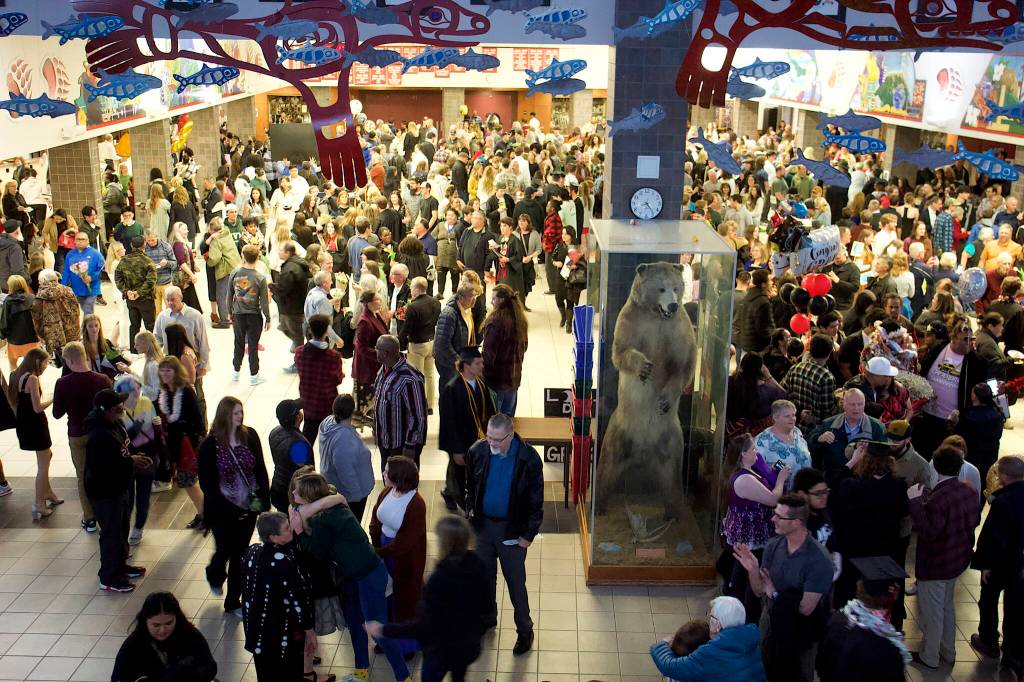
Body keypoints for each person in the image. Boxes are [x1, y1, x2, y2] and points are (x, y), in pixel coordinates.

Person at [289, 473, 413, 682]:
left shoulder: (324, 520)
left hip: (368, 576)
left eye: (297, 492)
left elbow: (318, 552)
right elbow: (333, 495)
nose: (292, 493)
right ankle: (361, 671)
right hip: (352, 575)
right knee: (355, 623)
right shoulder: (331, 503)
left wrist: (300, 531)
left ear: (310, 497)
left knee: (377, 629)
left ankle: (404, 677)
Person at [364, 515, 490, 682]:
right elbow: (487, 607)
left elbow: (422, 626)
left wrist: (383, 629)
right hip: (467, 647)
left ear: (445, 543)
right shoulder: (479, 566)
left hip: (441, 651)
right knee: (459, 676)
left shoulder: (440, 578)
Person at [465, 413, 544, 655]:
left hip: (512, 531)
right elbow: (469, 484)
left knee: (516, 584)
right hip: (483, 528)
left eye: (498, 440)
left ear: (511, 435)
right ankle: (487, 617)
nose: (492, 444)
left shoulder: (528, 458)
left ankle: (524, 630)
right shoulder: (478, 451)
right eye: (489, 437)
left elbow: (535, 501)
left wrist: (528, 535)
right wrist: (469, 508)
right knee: (484, 578)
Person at [733, 495, 833, 682]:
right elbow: (759, 591)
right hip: (770, 622)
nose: (773, 519)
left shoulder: (819, 560)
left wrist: (775, 593)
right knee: (763, 667)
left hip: (800, 633)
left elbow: (805, 608)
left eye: (779, 516)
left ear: (796, 522)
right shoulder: (773, 546)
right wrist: (753, 570)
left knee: (797, 675)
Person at [908, 444, 979, 669]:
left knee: (933, 612)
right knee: (947, 607)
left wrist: (915, 503)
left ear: (934, 466)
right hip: (957, 559)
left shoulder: (939, 498)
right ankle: (948, 652)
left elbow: (929, 532)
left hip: (937, 563)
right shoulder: (968, 489)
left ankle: (930, 656)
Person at [199, 397, 269, 613]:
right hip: (222, 509)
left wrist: (262, 500)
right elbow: (207, 483)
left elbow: (259, 469)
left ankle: (233, 600)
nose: (240, 416)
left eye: (241, 412)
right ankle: (215, 573)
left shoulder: (250, 436)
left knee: (240, 554)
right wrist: (228, 507)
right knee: (224, 551)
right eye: (235, 413)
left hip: (248, 506)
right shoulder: (211, 445)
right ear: (224, 415)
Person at [86, 388, 150, 592]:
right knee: (111, 534)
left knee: (122, 529)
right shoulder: (99, 434)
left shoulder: (115, 423)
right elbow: (105, 465)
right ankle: (109, 577)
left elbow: (124, 448)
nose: (122, 409)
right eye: (117, 408)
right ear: (105, 410)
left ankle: (120, 566)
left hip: (121, 486)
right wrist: (131, 461)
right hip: (105, 492)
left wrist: (134, 456)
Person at [241, 511, 315, 682]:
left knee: (265, 673)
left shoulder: (251, 552)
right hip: (281, 631)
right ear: (273, 537)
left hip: (257, 631)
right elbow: (297, 598)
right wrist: (309, 629)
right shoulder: (283, 562)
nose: (291, 530)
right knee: (288, 671)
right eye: (287, 528)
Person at [721, 434, 788, 623]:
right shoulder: (744, 479)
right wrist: (781, 479)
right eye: (753, 450)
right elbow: (773, 499)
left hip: (755, 536)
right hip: (750, 540)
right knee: (746, 578)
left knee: (745, 573)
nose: (756, 453)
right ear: (742, 454)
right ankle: (741, 615)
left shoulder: (751, 472)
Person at [816, 556, 911, 682]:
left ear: (860, 588)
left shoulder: (837, 619)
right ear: (892, 596)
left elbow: (821, 665)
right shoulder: (887, 649)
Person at [970, 455, 1024, 672]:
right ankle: (1013, 653)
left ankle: (989, 640)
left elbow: (993, 537)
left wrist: (986, 565)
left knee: (989, 600)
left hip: (1001, 564)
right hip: (1020, 565)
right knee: (1016, 608)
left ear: (1003, 475)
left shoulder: (1003, 502)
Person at [369, 456, 427, 658]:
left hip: (404, 559)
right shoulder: (386, 491)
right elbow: (375, 517)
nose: (383, 474)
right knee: (385, 597)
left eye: (387, 472)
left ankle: (406, 645)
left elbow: (405, 542)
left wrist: (378, 552)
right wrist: (376, 542)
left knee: (403, 600)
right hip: (385, 549)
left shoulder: (416, 503)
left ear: (399, 477)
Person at [914, 314, 989, 460]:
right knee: (922, 453)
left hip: (950, 422)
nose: (969, 343)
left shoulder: (977, 362)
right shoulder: (938, 348)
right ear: (953, 339)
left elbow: (978, 390)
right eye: (965, 339)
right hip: (927, 416)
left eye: (971, 339)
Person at [648, 596, 767, 681]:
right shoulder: (750, 641)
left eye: (710, 617)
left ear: (717, 625)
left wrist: (662, 644)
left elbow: (670, 667)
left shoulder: (714, 652)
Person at [112, 591, 217, 682]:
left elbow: (210, 667)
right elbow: (118, 678)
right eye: (156, 625)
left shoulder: (189, 634)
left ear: (177, 617)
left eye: (169, 623)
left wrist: (191, 674)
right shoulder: (134, 644)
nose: (163, 630)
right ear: (145, 621)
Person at [439, 346, 495, 511]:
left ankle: (450, 494)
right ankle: (467, 508)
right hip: (460, 441)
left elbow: (489, 410)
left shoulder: (480, 383)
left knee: (465, 472)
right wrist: (456, 450)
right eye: (478, 363)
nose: (482, 366)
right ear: (466, 366)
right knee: (460, 474)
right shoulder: (452, 389)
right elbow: (449, 423)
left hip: (477, 437)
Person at [158, 356, 206, 530]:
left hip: (188, 445)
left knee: (189, 482)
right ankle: (203, 513)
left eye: (169, 370)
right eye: (162, 370)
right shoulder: (164, 392)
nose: (165, 374)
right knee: (188, 483)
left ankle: (204, 514)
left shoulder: (185, 391)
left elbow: (198, 421)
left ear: (177, 372)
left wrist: (197, 443)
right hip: (173, 445)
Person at [9, 348, 57, 521]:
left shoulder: (15, 375)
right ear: (37, 362)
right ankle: (39, 503)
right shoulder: (32, 379)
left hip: (24, 424)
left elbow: (15, 403)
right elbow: (37, 408)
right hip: (36, 425)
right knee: (43, 466)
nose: (47, 365)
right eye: (46, 362)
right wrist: (53, 399)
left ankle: (48, 492)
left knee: (47, 456)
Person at [113, 373, 160, 547]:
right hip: (128, 460)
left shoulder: (146, 403)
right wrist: (138, 425)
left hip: (147, 456)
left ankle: (138, 527)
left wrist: (141, 426)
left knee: (143, 497)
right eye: (133, 391)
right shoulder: (117, 411)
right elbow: (125, 436)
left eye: (138, 389)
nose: (137, 393)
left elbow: (151, 432)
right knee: (127, 498)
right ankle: (124, 529)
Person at [373, 334, 428, 471]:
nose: (375, 350)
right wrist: (376, 428)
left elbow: (418, 416)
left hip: (401, 445)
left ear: (386, 353)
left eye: (377, 348)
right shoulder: (384, 369)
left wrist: (410, 445)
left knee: (403, 485)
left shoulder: (409, 378)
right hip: (386, 441)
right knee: (389, 482)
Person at [319, 394, 375, 522]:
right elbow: (345, 472)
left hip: (333, 483)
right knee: (351, 525)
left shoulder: (327, 422)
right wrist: (356, 496)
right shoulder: (343, 440)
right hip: (350, 496)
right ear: (352, 411)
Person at [808, 388, 887, 477]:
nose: (856, 408)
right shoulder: (828, 424)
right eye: (852, 404)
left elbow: (884, 458)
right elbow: (810, 445)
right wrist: (818, 439)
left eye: (860, 404)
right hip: (835, 480)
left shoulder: (877, 427)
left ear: (864, 405)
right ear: (844, 405)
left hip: (863, 481)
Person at [295, 314, 345, 446]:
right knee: (331, 444)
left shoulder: (299, 352)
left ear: (310, 330)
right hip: (327, 405)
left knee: (306, 439)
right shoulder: (333, 356)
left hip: (308, 403)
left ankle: (300, 464)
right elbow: (338, 379)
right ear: (326, 331)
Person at [481, 283, 528, 416]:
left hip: (497, 381)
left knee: (494, 422)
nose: (491, 301)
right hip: (513, 378)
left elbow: (489, 355)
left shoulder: (495, 322)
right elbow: (524, 347)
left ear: (501, 300)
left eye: (494, 298)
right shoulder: (520, 319)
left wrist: (482, 376)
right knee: (508, 422)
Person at [227, 244, 271, 385]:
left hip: (238, 315)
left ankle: (235, 373)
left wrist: (229, 312)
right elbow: (264, 302)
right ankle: (254, 375)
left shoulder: (234, 273)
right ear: (258, 258)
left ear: (242, 255)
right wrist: (268, 318)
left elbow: (229, 295)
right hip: (254, 316)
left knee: (238, 343)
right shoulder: (260, 278)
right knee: (252, 346)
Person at [952, 382, 1005, 491]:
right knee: (982, 487)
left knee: (967, 489)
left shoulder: (968, 416)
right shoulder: (997, 414)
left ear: (974, 396)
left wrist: (952, 422)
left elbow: (958, 437)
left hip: (971, 458)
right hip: (990, 457)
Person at [399, 276, 441, 412]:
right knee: (430, 375)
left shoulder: (413, 306)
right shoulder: (436, 302)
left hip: (417, 345)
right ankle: (430, 405)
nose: (411, 291)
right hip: (431, 342)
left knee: (417, 376)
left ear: (417, 289)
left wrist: (400, 344)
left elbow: (407, 329)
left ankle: (418, 404)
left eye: (412, 288)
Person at [782, 334, 837, 428]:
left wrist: (799, 412)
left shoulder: (795, 367)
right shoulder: (827, 377)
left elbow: (783, 392)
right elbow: (828, 413)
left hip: (792, 424)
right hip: (814, 430)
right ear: (829, 353)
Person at [268, 398, 314, 513]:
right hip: (291, 496)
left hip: (277, 487)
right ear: (298, 417)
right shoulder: (298, 445)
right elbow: (304, 475)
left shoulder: (274, 432)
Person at [753, 399, 810, 489]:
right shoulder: (762, 440)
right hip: (777, 494)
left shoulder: (797, 431)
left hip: (803, 492)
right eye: (787, 416)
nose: (792, 419)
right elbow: (756, 469)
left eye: (793, 415)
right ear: (775, 418)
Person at [434, 282, 480, 391]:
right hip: (449, 363)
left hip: (459, 360)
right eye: (471, 296)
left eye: (475, 296)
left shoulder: (466, 310)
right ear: (461, 298)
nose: (474, 300)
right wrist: (458, 360)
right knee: (448, 393)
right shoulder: (449, 314)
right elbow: (442, 344)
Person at [30, 268, 80, 364]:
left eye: (39, 281)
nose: (39, 283)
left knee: (60, 363)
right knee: (73, 363)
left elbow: (37, 322)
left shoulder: (39, 299)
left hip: (53, 341)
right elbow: (76, 312)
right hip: (72, 335)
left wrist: (42, 339)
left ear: (44, 281)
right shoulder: (68, 291)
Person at [115, 235, 158, 342]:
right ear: (144, 245)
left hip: (130, 299)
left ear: (131, 245)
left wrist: (126, 291)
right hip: (146, 299)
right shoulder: (148, 261)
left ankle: (134, 350)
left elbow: (118, 278)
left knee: (134, 326)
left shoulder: (123, 261)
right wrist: (139, 293)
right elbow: (151, 281)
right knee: (150, 326)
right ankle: (152, 350)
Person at [206, 218, 242, 328]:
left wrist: (208, 261)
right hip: (236, 265)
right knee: (234, 294)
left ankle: (225, 321)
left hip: (225, 270)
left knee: (222, 296)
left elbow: (214, 258)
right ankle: (234, 317)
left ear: (212, 230)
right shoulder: (227, 233)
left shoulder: (216, 241)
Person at [0, 275, 39, 370]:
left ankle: (15, 383)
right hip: (32, 339)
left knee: (12, 364)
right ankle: (34, 383)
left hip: (15, 340)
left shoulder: (8, 301)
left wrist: (2, 335)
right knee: (32, 368)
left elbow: (4, 322)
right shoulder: (32, 298)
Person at [62, 231, 105, 314]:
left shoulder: (95, 254)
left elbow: (101, 269)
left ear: (88, 241)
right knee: (82, 309)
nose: (81, 241)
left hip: (92, 288)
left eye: (83, 239)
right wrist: (63, 287)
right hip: (77, 289)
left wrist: (92, 277)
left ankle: (87, 326)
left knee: (88, 310)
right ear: (74, 241)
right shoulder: (70, 254)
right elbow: (66, 272)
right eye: (78, 239)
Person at [142, 229, 178, 314]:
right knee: (156, 311)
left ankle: (171, 326)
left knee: (170, 309)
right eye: (148, 240)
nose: (151, 242)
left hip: (166, 283)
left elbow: (175, 263)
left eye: (153, 240)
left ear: (157, 237)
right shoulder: (144, 248)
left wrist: (167, 263)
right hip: (153, 284)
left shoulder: (166, 246)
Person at [740, 268, 774, 353]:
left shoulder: (749, 296)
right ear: (763, 284)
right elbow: (763, 329)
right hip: (758, 347)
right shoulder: (763, 302)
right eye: (769, 281)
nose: (772, 283)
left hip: (747, 343)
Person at [0, 219, 26, 291]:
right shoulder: (14, 247)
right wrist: (27, 282)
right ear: (17, 231)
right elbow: (17, 270)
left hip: (2, 283)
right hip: (12, 286)